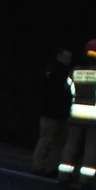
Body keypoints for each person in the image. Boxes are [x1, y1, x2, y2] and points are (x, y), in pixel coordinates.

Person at [58, 38, 96, 188]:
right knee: (91, 147)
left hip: (76, 113)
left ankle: (64, 175)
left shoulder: (75, 70)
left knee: (71, 144)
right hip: (95, 116)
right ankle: (85, 179)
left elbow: (66, 87)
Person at [31, 46, 73, 177]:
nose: (68, 60)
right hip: (50, 111)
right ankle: (38, 165)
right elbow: (48, 90)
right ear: (59, 55)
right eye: (66, 57)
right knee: (46, 139)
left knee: (58, 142)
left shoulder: (66, 71)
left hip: (61, 112)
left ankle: (52, 166)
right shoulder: (52, 70)